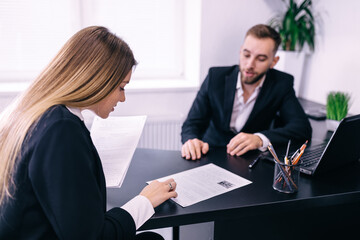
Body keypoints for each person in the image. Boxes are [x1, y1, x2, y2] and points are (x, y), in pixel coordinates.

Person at [0, 26, 177, 240]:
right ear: (97, 80)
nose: (123, 99)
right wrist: (144, 201)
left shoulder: (36, 113)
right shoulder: (61, 130)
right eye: (121, 87)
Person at [181, 24, 312, 160]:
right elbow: (191, 124)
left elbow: (302, 128)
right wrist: (191, 141)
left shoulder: (281, 83)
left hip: (250, 159)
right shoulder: (215, 77)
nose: (250, 64)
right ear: (240, 52)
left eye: (260, 59)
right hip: (211, 153)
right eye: (246, 54)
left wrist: (260, 139)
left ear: (273, 61)